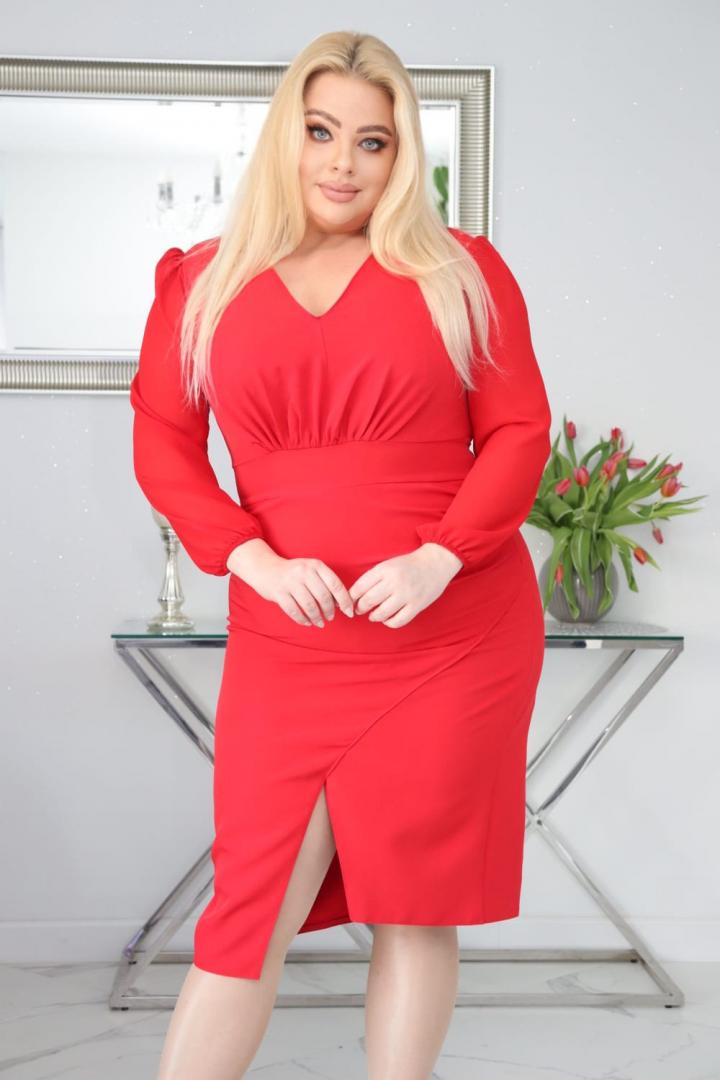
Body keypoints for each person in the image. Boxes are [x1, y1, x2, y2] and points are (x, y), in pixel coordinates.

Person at [129, 29, 552, 1080]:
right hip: (292, 631)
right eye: (322, 132)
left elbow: (518, 432)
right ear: (287, 134)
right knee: (251, 907)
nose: (343, 164)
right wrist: (253, 560)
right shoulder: (202, 282)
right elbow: (164, 444)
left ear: (401, 155)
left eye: (374, 141)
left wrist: (443, 557)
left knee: (416, 900)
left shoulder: (461, 272)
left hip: (449, 631)